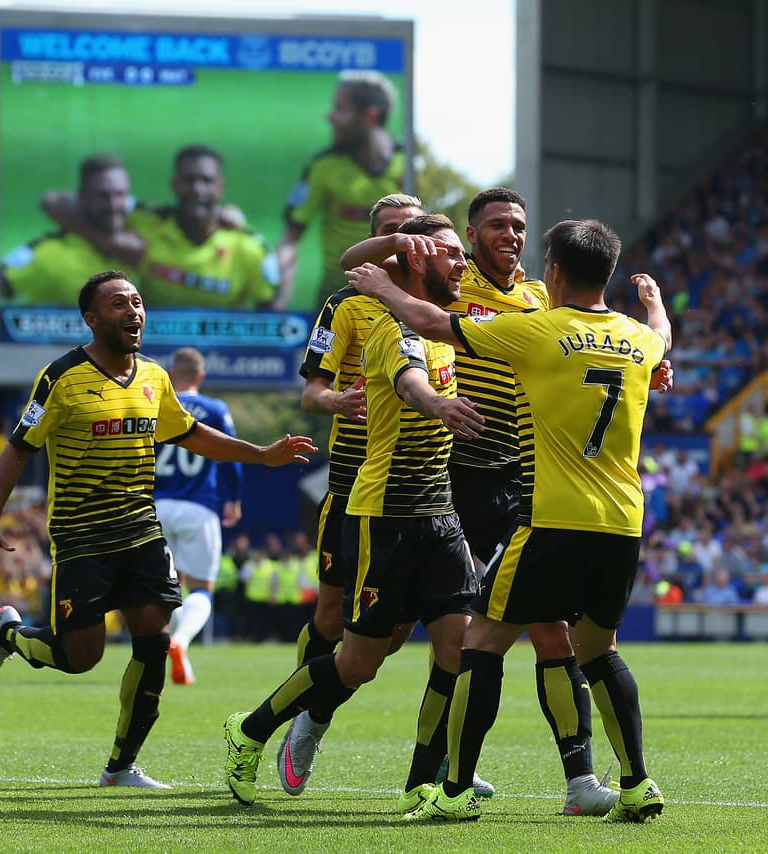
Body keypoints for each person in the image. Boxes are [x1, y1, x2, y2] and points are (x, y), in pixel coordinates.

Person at [341, 188, 672, 815]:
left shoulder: (536, 328)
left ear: (551, 273)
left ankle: (456, 789)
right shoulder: (637, 338)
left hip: (547, 514)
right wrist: (655, 307)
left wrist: (383, 291)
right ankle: (636, 782)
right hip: (625, 522)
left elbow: (435, 324)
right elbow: (661, 336)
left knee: (482, 640)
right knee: (595, 648)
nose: (512, 237)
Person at [0, 270, 315, 789]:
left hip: (140, 530)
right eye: (118, 304)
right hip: (82, 535)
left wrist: (262, 455)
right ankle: (10, 635)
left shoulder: (155, 378)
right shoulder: (61, 377)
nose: (133, 311)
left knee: (153, 642)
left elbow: (191, 433)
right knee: (79, 656)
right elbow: (19, 448)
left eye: (137, 302)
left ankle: (120, 766)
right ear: (91, 318)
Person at [222, 214, 485, 813]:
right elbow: (412, 385)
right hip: (385, 515)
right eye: (450, 254)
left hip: (439, 514)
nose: (462, 263)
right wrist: (439, 405)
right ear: (416, 259)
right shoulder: (393, 330)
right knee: (359, 661)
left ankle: (425, 782)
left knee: (456, 648)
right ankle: (253, 730)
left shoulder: (447, 322)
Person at [42, 145, 275, 309]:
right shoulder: (146, 222)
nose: (196, 189)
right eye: (189, 180)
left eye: (206, 181)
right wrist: (110, 242)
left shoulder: (246, 245)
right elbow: (53, 201)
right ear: (174, 185)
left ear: (220, 188)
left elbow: (273, 307)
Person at [274, 70, 407, 311]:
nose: (331, 117)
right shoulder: (323, 167)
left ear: (370, 115)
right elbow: (290, 239)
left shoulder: (408, 164)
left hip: (396, 302)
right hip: (335, 301)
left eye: (340, 109)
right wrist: (279, 286)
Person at [153, 346, 243, 686]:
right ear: (201, 376)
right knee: (202, 589)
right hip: (199, 506)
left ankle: (171, 651)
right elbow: (232, 456)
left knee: (166, 588)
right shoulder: (215, 409)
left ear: (172, 374)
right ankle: (181, 643)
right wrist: (233, 499)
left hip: (156, 507)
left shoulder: (159, 405)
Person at [1, 154, 139, 305]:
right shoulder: (50, 254)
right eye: (102, 196)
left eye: (120, 194)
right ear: (81, 197)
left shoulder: (149, 234)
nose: (113, 205)